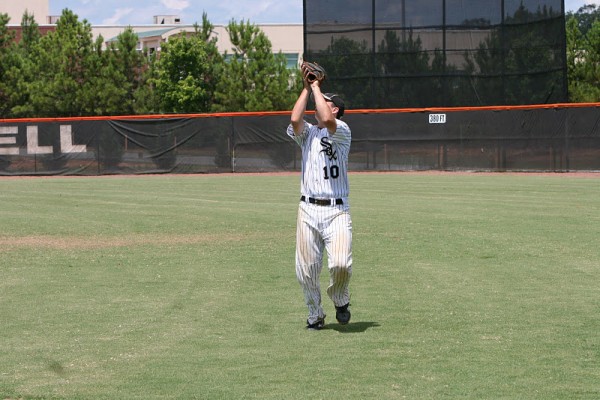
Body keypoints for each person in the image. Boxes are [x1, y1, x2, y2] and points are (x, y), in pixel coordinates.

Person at [287, 64, 353, 330]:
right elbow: (294, 120)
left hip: (337, 210)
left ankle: (340, 298)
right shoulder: (308, 134)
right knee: (305, 270)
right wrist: (306, 87)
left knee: (340, 264)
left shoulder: (343, 131)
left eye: (324, 101)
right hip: (308, 209)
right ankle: (315, 313)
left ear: (334, 108)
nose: (318, 101)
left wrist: (316, 86)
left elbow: (326, 121)